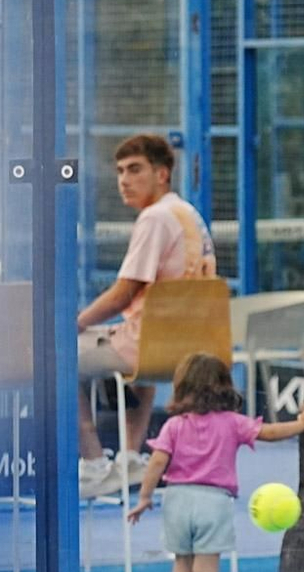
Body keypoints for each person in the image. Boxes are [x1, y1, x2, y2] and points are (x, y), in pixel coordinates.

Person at [126, 353, 304, 572]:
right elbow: (269, 431)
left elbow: (156, 462)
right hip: (214, 501)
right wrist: (301, 423)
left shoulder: (174, 425)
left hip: (177, 498)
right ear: (224, 387)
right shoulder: (232, 422)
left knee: (182, 561)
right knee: (206, 568)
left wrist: (144, 497)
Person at [77, 134, 218, 499]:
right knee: (139, 339)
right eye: (120, 171)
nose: (124, 179)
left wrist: (72, 324)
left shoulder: (154, 218)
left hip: (148, 346)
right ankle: (129, 459)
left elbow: (124, 291)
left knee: (56, 353)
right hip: (189, 346)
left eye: (135, 169)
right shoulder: (189, 213)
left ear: (162, 174)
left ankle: (93, 466)